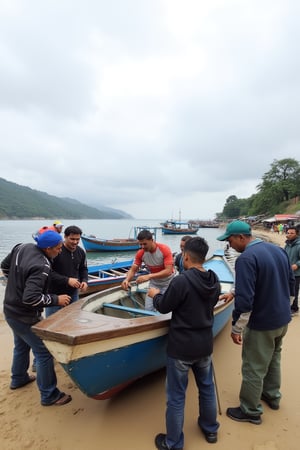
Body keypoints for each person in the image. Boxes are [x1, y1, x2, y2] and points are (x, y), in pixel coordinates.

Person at [217, 220, 295, 424]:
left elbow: (246, 300)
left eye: (230, 240)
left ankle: (250, 410)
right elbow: (290, 282)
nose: (229, 245)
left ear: (241, 237)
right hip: (282, 319)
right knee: (273, 359)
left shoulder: (246, 259)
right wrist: (286, 308)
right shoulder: (278, 251)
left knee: (253, 366)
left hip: (262, 323)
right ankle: (272, 396)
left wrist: (236, 328)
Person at [147, 237, 221, 449]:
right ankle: (210, 429)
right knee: (206, 387)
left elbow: (164, 307)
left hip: (181, 348)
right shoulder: (214, 279)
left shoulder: (182, 281)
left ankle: (173, 442)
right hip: (205, 344)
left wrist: (156, 294)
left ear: (186, 256)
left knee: (176, 397)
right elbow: (210, 303)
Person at [1, 230, 73, 406]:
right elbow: (31, 298)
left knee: (21, 345)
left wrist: (17, 285)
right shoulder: (42, 266)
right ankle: (49, 394)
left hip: (10, 310)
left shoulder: (22, 247)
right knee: (43, 352)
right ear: (48, 248)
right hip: (25, 316)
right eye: (57, 249)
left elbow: (4, 267)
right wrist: (57, 299)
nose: (59, 251)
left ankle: (18, 378)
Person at [121, 229, 174, 311]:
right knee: (148, 309)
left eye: (145, 244)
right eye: (140, 244)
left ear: (152, 240)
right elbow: (133, 269)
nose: (142, 247)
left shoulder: (164, 249)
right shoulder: (141, 253)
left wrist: (149, 276)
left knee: (166, 309)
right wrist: (127, 279)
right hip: (154, 283)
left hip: (168, 283)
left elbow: (168, 271)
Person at [45, 225, 88, 317]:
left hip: (73, 294)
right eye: (72, 239)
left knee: (72, 319)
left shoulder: (81, 252)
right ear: (65, 237)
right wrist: (67, 280)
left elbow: (83, 269)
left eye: (78, 239)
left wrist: (84, 281)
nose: (75, 242)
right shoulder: (56, 251)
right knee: (52, 322)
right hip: (54, 294)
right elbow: (47, 272)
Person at [284, 226, 300, 315]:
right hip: (287, 272)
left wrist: (297, 265)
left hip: (297, 273)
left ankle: (294, 309)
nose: (289, 235)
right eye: (288, 233)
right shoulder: (287, 245)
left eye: (291, 233)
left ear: (296, 234)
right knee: (287, 290)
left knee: (294, 290)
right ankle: (288, 307)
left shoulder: (299, 245)